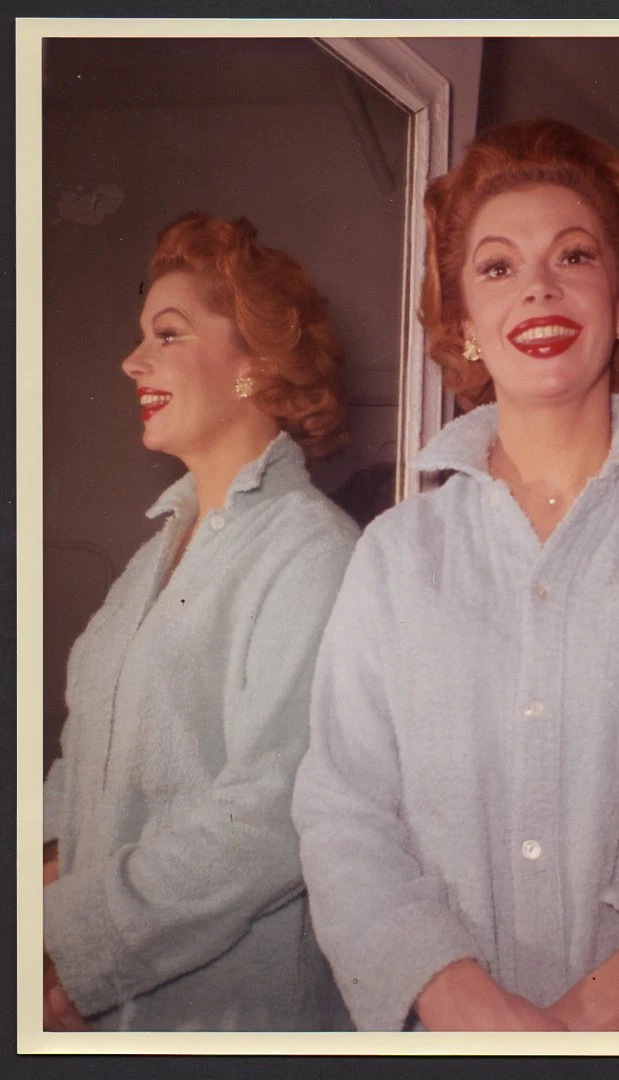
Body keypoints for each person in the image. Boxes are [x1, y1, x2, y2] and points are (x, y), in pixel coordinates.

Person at [292, 119, 619, 1031]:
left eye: (573, 255)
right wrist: (477, 1020)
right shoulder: (392, 555)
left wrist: (569, 1033)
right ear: (464, 326)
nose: (537, 283)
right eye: (498, 266)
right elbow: (343, 814)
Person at [43, 213, 360, 1031]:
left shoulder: (313, 551)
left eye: (168, 335)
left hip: (221, 1017)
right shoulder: (153, 555)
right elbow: (78, 768)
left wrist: (76, 945)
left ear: (252, 365)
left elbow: (274, 811)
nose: (131, 360)